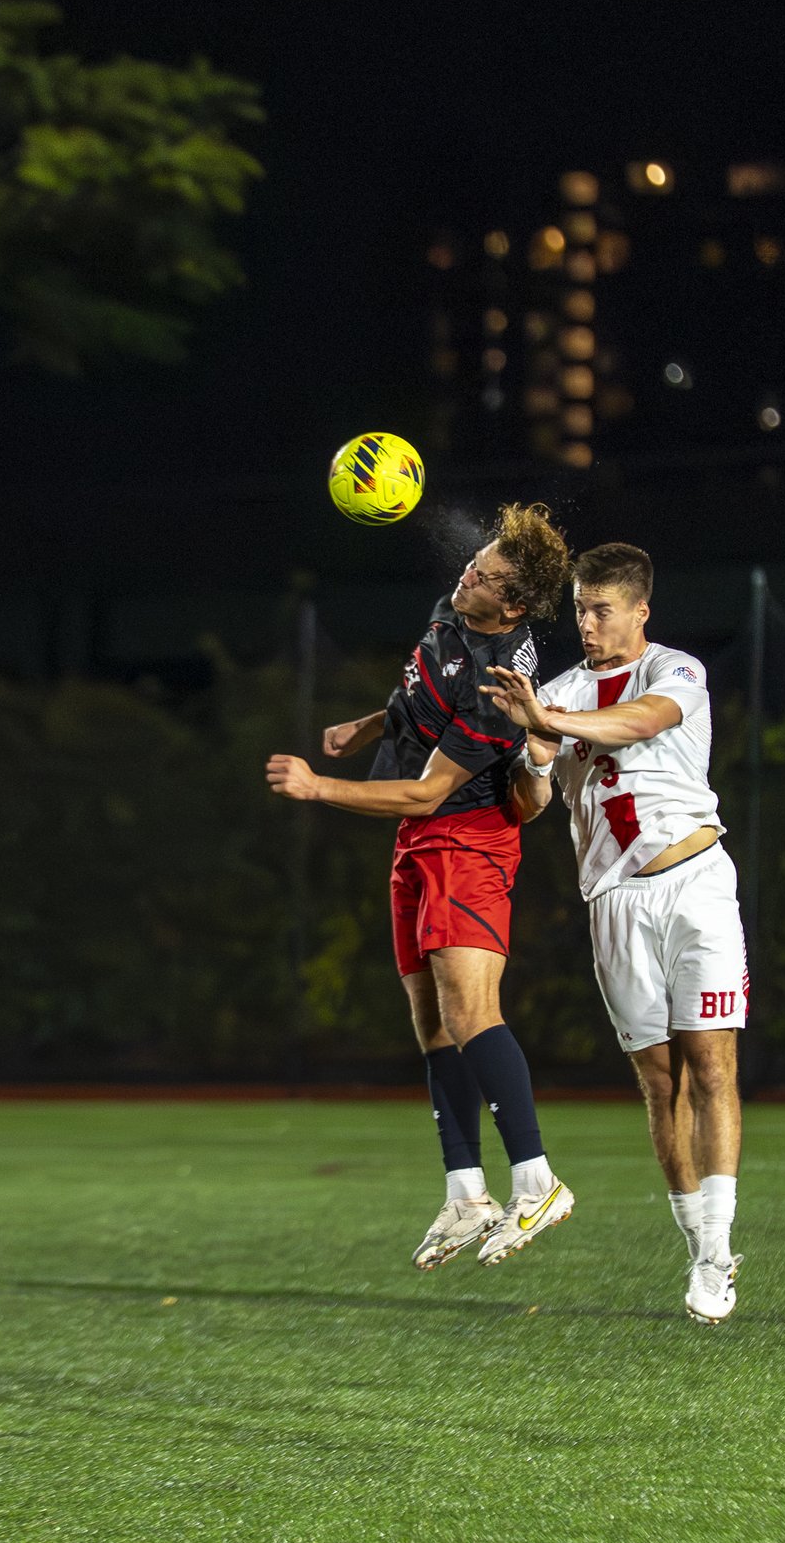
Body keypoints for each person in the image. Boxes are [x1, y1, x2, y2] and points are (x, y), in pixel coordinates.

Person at [265, 503, 577, 1271]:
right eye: (478, 560)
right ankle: (466, 1191)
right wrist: (368, 727)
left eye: (488, 575)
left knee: (473, 1014)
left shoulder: (504, 688)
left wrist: (320, 787)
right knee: (433, 1023)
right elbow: (418, 697)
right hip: (420, 845)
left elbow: (427, 793)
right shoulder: (456, 607)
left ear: (513, 606)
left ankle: (536, 1181)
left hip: (467, 842)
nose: (468, 571)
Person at [485, 542, 749, 1324]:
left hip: (697, 883)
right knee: (660, 1080)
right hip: (615, 903)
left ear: (640, 610)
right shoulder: (558, 691)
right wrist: (533, 753)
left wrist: (550, 719)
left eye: (602, 610)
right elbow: (530, 806)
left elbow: (642, 722)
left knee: (712, 1065)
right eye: (580, 611)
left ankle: (717, 1253)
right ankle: (693, 1241)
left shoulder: (676, 671)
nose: (588, 624)